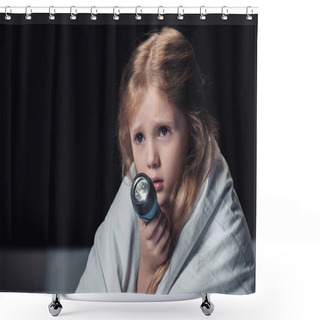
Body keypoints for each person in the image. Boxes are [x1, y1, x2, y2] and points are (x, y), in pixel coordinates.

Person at [76, 27, 255, 295]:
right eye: (139, 137)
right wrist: (147, 269)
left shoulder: (224, 239)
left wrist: (147, 283)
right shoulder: (132, 191)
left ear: (193, 131)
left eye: (163, 131)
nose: (150, 160)